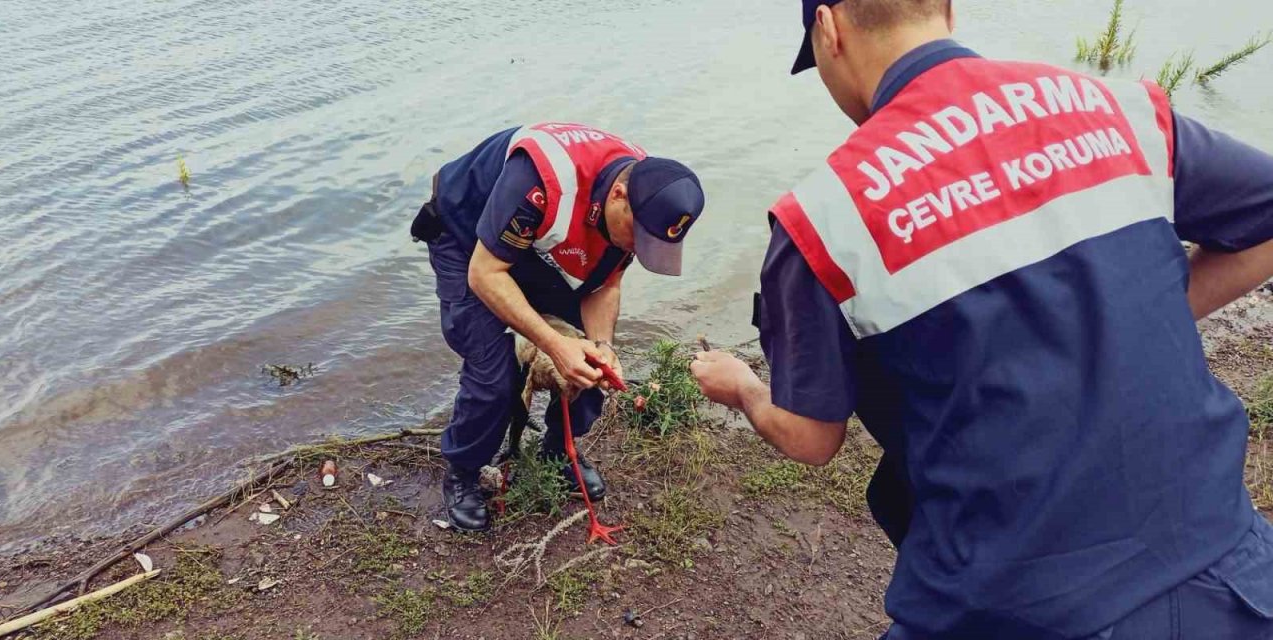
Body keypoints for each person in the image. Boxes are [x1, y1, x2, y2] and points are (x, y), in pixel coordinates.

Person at [689, 2, 1273, 638]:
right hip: (1229, 570)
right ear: (946, 9)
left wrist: (741, 386)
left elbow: (811, 438)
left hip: (1012, 606)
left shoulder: (824, 219)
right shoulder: (1120, 109)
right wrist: (1141, 304)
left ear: (828, 30)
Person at [413, 122, 705, 533]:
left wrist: (601, 344)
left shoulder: (647, 199)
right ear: (618, 195)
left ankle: (558, 451)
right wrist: (552, 343)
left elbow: (606, 284)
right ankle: (462, 471)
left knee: (589, 361)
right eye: (637, 237)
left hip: (536, 240)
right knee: (492, 371)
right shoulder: (543, 179)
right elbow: (486, 273)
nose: (638, 249)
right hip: (466, 241)